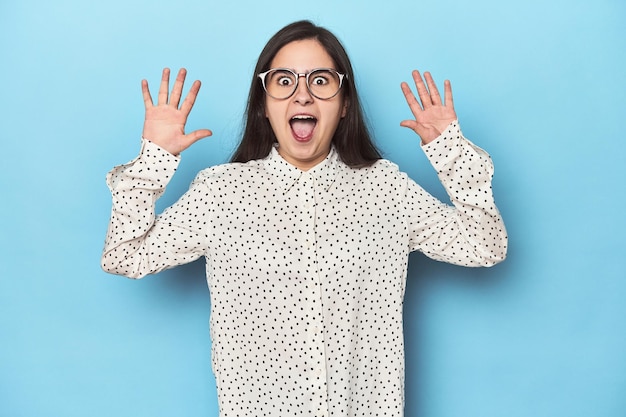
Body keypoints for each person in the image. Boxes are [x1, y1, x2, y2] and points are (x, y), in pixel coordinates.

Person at [102, 20, 507, 417]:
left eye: (320, 81)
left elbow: (485, 246)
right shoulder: (220, 193)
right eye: (283, 81)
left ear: (344, 102)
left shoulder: (386, 189)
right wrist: (154, 160)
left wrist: (450, 152)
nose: (302, 96)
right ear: (263, 104)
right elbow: (124, 255)